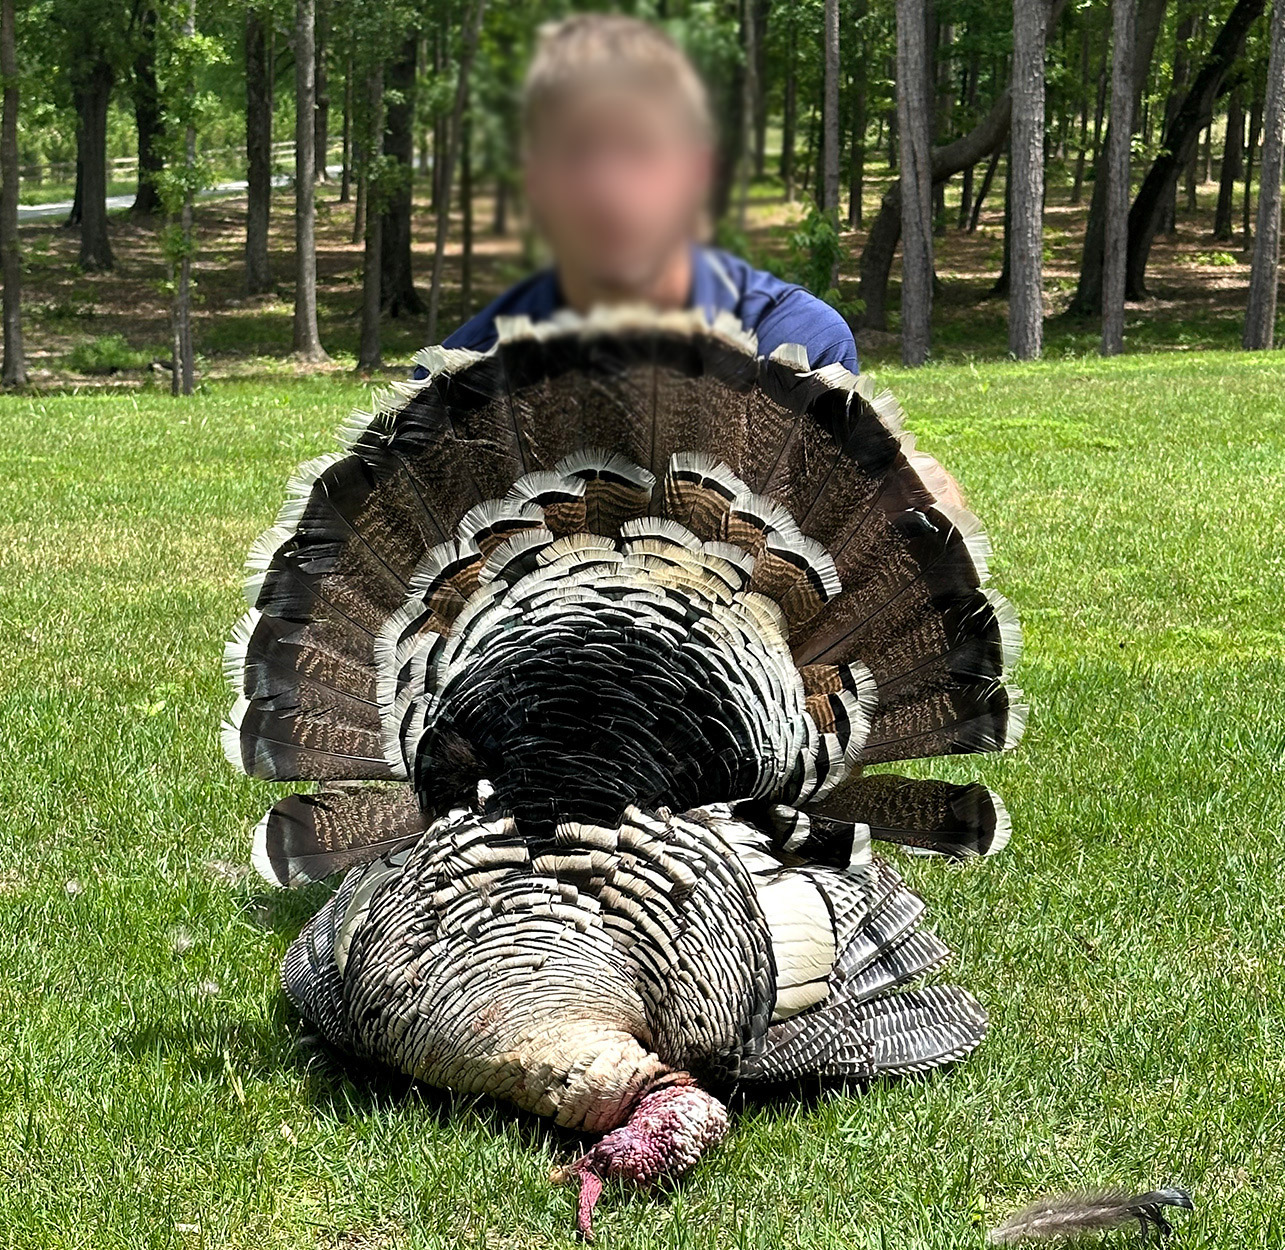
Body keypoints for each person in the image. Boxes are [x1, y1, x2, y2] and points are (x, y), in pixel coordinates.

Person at [434, 13, 859, 373]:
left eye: (641, 148)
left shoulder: (798, 348)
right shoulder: (462, 375)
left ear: (697, 173)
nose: (606, 189)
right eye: (574, 151)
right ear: (534, 180)